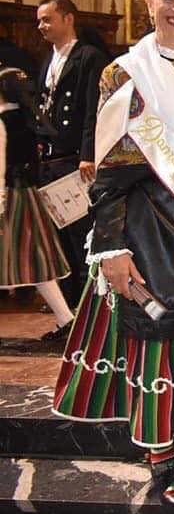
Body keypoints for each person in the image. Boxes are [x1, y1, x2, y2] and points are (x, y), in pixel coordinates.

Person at [52, 0, 174, 506]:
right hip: (148, 233)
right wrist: (112, 247)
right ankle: (161, 454)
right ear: (150, 5)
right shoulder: (123, 73)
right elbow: (109, 173)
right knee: (156, 346)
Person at [35, 0, 110, 311]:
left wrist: (88, 153)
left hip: (76, 160)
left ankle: (87, 305)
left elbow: (94, 108)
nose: (41, 26)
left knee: (80, 234)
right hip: (49, 159)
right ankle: (67, 307)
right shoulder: (48, 60)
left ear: (68, 19)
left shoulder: (88, 57)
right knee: (58, 237)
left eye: (47, 19)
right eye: (39, 21)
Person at [0, 67, 73, 339]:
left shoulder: (3, 121)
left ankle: (66, 318)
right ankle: (65, 318)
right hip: (26, 196)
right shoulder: (26, 121)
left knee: (28, 259)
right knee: (35, 260)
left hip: (9, 199)